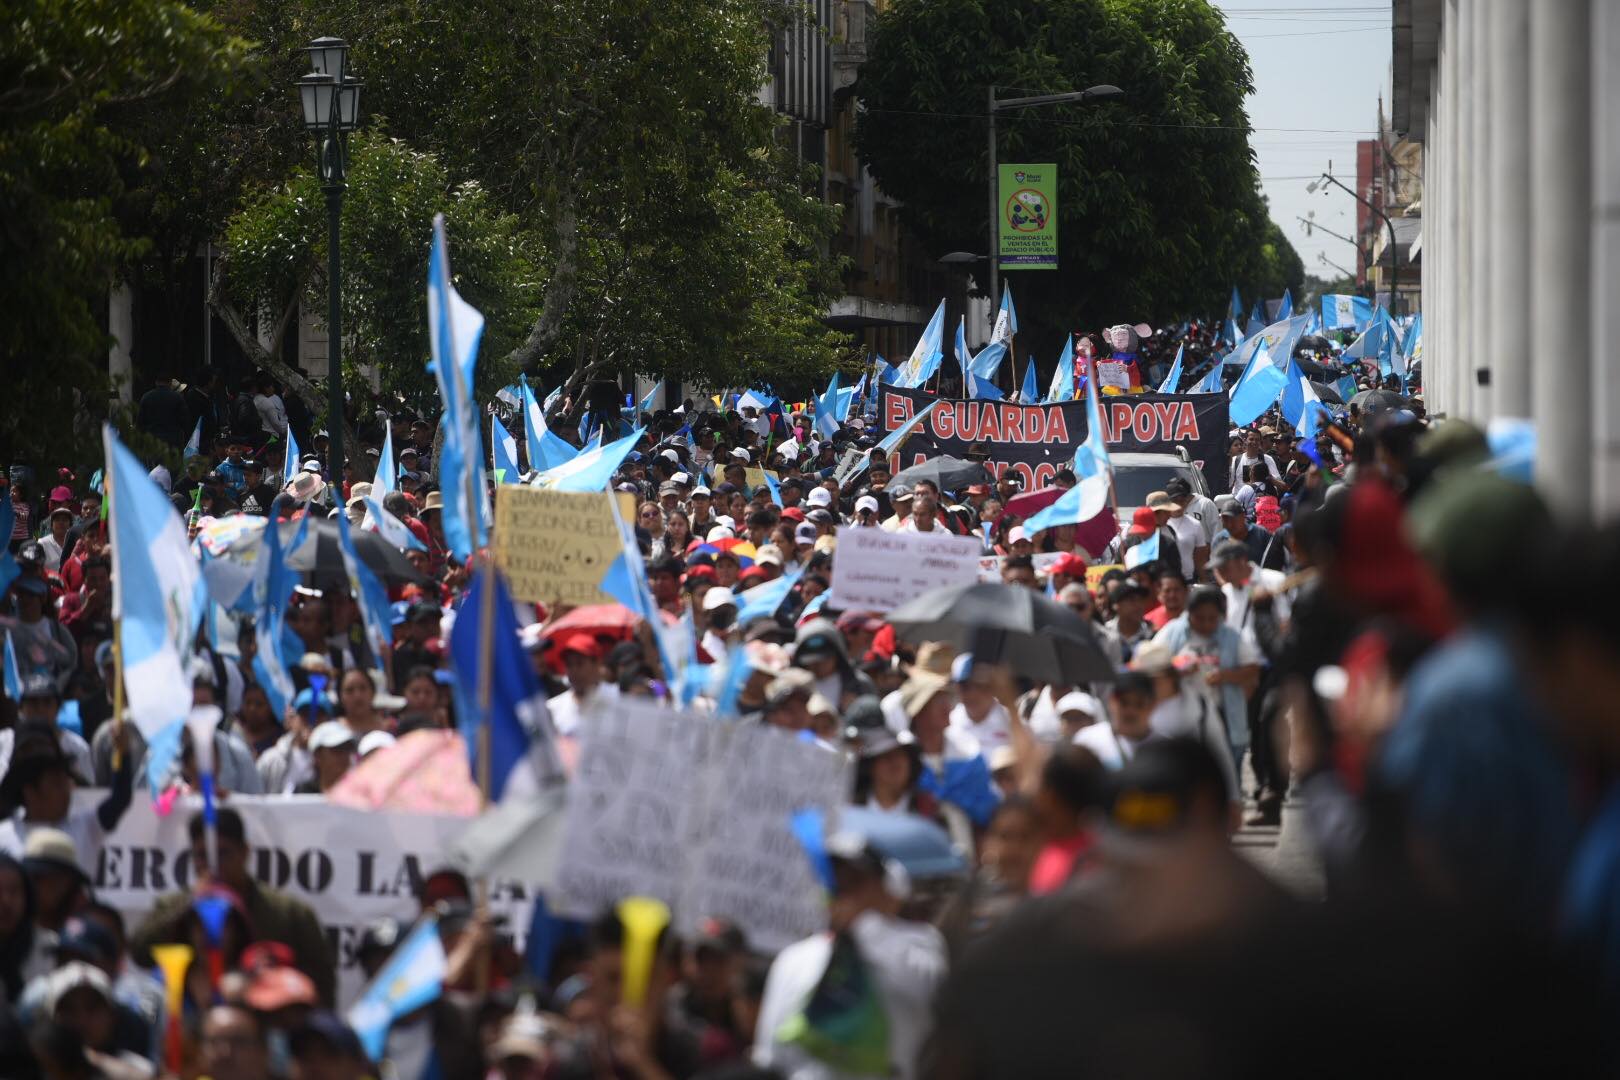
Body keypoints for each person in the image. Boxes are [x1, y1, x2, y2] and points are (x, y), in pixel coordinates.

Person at [753, 829, 947, 1080]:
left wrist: (864, 928)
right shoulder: (794, 958)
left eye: (855, 882)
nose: (842, 892)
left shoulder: (920, 944)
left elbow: (927, 987)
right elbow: (771, 1054)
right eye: (835, 882)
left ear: (890, 891)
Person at [132, 808, 336, 1004]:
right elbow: (141, 953)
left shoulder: (290, 914)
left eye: (223, 854)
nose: (213, 866)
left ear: (244, 852)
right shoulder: (175, 907)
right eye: (202, 856)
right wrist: (188, 904)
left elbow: (321, 986)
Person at [1074, 671, 1163, 770]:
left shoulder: (1166, 749)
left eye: (1139, 703)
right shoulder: (1088, 741)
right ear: (1111, 701)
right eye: (1124, 702)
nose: (1130, 711)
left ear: (1153, 705)